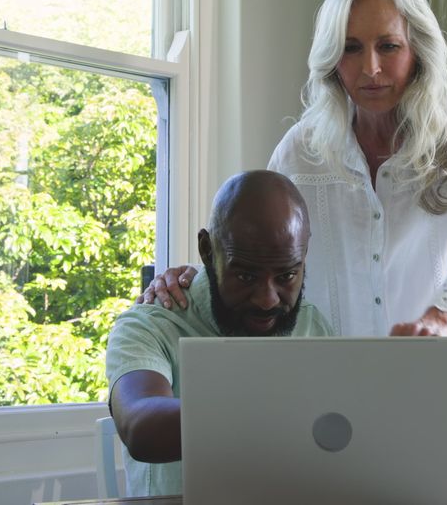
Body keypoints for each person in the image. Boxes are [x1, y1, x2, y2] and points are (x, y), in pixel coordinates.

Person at [140, 0, 447, 476]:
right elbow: (260, 242)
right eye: (350, 47)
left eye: (388, 46)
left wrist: (442, 318)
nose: (370, 68)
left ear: (418, 49)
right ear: (330, 58)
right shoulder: (302, 149)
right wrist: (192, 275)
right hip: (343, 387)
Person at [107, 170, 333, 497]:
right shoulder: (151, 325)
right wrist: (271, 408)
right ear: (207, 251)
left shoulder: (313, 326)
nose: (267, 298)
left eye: (286, 275)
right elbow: (139, 425)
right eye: (245, 276)